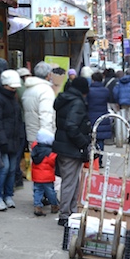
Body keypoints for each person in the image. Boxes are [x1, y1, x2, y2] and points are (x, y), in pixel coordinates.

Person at [52, 77, 92, 226]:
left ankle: (72, 211)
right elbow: (71, 126)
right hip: (71, 147)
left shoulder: (64, 99)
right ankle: (65, 214)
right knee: (70, 182)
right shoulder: (77, 103)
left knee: (73, 181)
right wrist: (83, 142)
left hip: (63, 145)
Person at [0, 70, 26, 211]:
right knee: (4, 169)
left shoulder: (12, 98)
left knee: (11, 169)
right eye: (12, 86)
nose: (14, 88)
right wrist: (2, 140)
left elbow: (17, 119)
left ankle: (8, 195)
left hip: (15, 138)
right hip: (4, 139)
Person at [22, 61, 56, 149]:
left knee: (34, 160)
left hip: (31, 134)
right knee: (44, 162)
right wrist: (48, 138)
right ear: (48, 75)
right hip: (43, 138)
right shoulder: (46, 90)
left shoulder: (28, 89)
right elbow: (46, 116)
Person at [31, 128, 59, 216]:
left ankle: (37, 206)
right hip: (47, 177)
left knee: (37, 191)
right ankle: (54, 205)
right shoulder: (50, 153)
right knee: (50, 192)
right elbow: (53, 163)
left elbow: (34, 143)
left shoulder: (35, 149)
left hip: (36, 176)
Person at [87, 71, 112, 167]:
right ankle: (100, 161)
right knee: (101, 140)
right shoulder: (105, 90)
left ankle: (92, 160)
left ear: (92, 79)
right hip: (103, 117)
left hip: (91, 116)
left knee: (92, 139)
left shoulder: (89, 91)